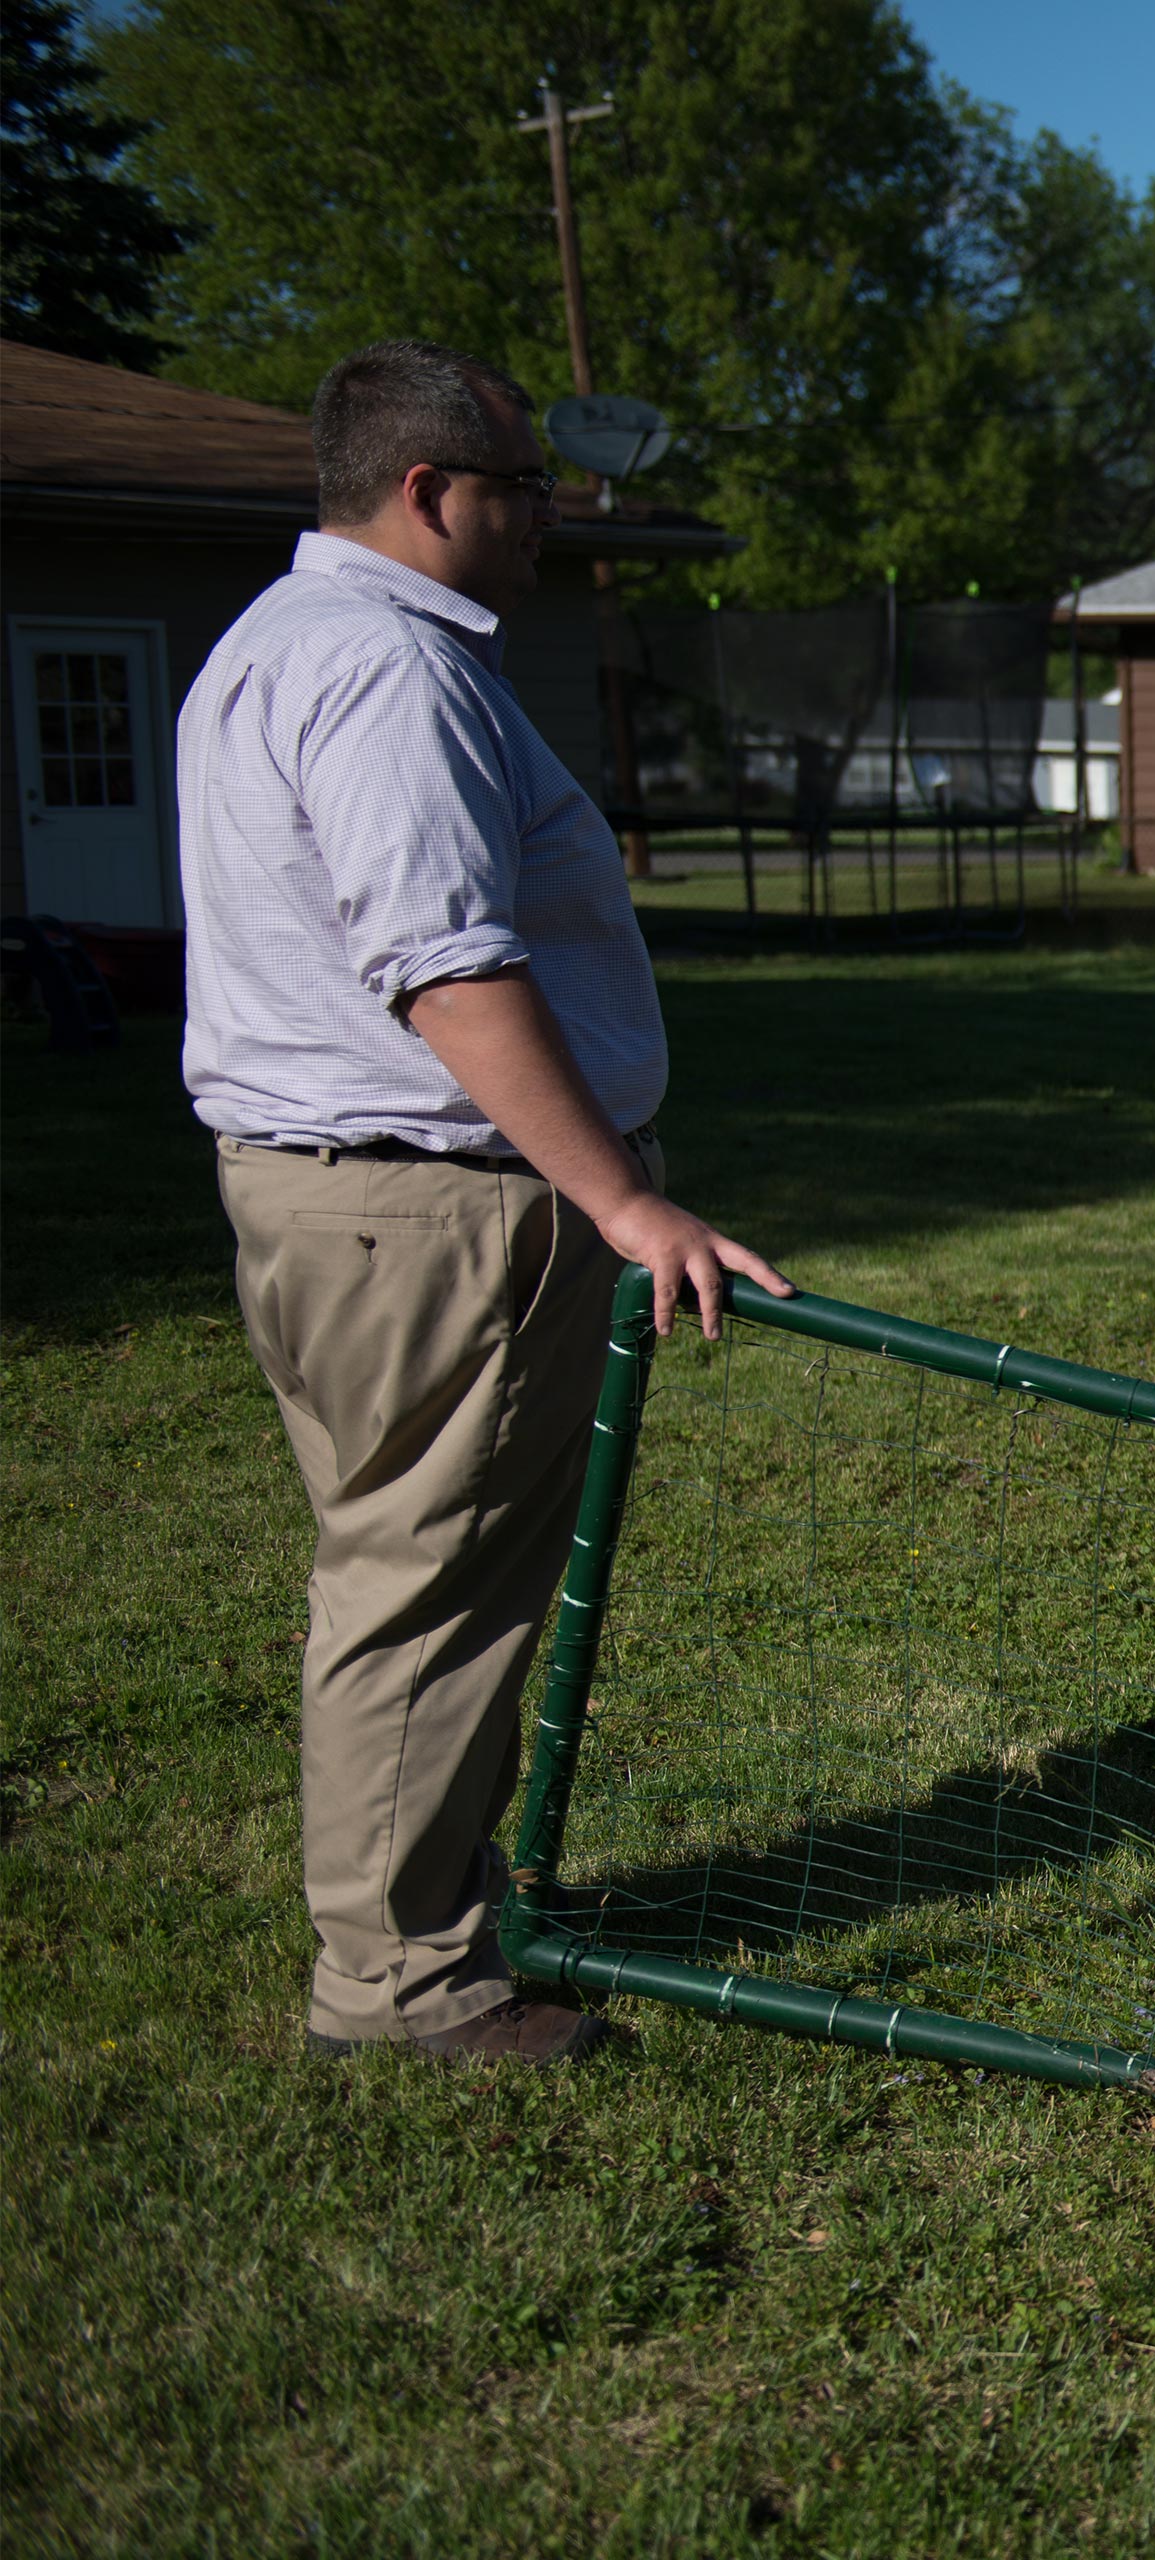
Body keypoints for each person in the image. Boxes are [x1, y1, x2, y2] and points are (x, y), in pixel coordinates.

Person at [183, 339, 786, 2064]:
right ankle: (403, 1985)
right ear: (429, 493)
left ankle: (431, 1901)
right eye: (523, 486)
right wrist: (619, 1201)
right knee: (426, 1588)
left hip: (331, 1201)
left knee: (403, 1567)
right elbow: (446, 970)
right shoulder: (386, 673)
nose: (547, 516)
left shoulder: (278, 648)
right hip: (433, 1210)